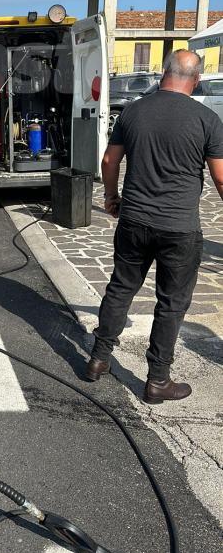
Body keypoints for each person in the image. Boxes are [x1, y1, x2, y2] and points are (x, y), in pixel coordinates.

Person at [86, 50, 223, 403]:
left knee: (121, 288)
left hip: (134, 221)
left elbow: (108, 160)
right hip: (179, 229)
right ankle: (158, 380)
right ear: (197, 78)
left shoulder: (132, 111)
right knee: (171, 304)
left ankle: (99, 358)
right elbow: (221, 180)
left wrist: (111, 197)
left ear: (165, 73)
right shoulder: (207, 120)